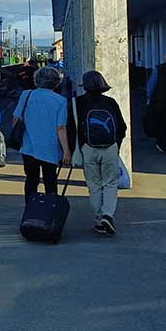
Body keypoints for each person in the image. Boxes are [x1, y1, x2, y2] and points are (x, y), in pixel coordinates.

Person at [75, 70, 127, 235]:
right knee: (111, 183)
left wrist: (73, 150)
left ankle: (99, 219)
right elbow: (122, 127)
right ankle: (107, 215)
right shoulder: (111, 102)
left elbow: (72, 128)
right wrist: (115, 145)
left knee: (94, 185)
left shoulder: (77, 103)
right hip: (110, 148)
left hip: (88, 148)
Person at [12, 66, 72, 197]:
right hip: (50, 149)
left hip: (28, 147)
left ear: (36, 80)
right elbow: (60, 128)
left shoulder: (26, 95)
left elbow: (16, 119)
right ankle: (49, 213)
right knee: (50, 182)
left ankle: (30, 210)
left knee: (31, 180)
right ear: (56, 82)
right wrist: (66, 151)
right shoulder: (60, 101)